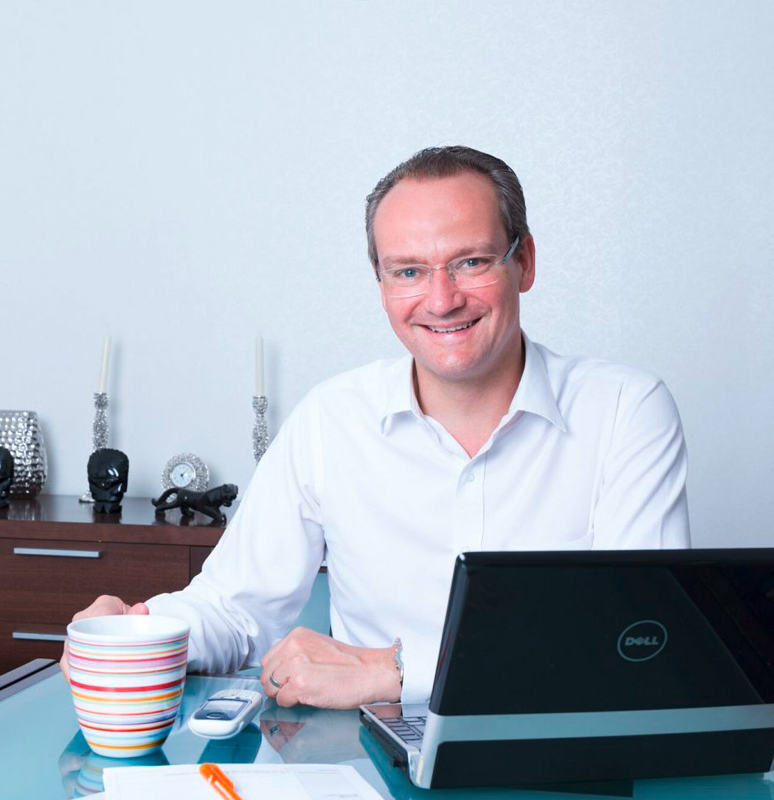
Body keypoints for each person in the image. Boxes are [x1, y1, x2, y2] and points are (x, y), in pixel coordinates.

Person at [61, 146, 690, 708]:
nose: (441, 299)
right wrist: (135, 630)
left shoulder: (625, 412)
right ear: (381, 283)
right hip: (365, 765)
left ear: (523, 262)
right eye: (408, 271)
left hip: (562, 757)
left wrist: (393, 671)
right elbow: (236, 608)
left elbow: (637, 642)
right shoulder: (330, 421)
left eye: (470, 262)